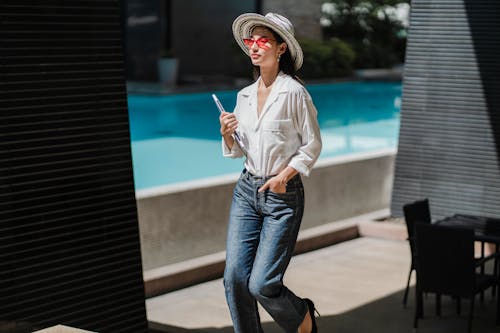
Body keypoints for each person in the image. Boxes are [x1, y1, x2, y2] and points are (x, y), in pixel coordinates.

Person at [219, 12, 322, 333]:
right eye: (251, 40)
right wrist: (226, 133)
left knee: (262, 283)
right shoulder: (244, 96)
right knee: (234, 278)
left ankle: (303, 319)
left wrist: (284, 176)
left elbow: (312, 144)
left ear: (281, 49)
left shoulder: (293, 93)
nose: (254, 46)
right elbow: (239, 150)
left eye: (263, 40)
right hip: (246, 190)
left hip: (282, 194)